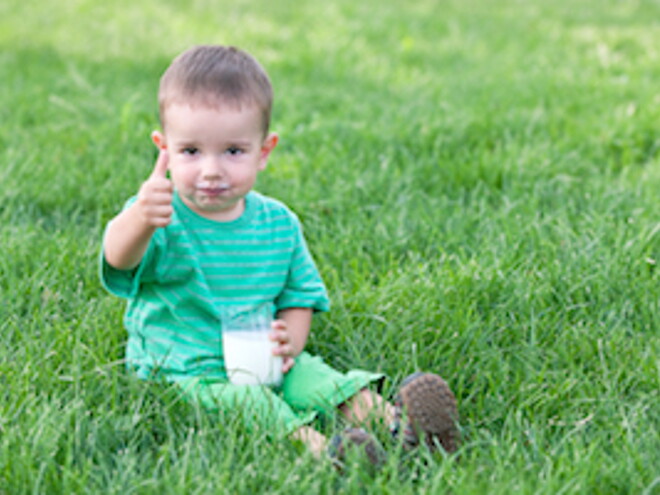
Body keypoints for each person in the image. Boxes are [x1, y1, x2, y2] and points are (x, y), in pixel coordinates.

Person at [100, 44, 458, 465]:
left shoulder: (278, 223)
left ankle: (403, 426)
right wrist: (140, 219)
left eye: (233, 151)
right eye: (191, 151)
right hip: (185, 369)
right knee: (252, 405)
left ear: (263, 151)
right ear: (165, 148)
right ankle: (326, 452)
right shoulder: (158, 214)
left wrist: (291, 342)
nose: (212, 169)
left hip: (265, 358)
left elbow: (297, 295)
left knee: (321, 380)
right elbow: (118, 260)